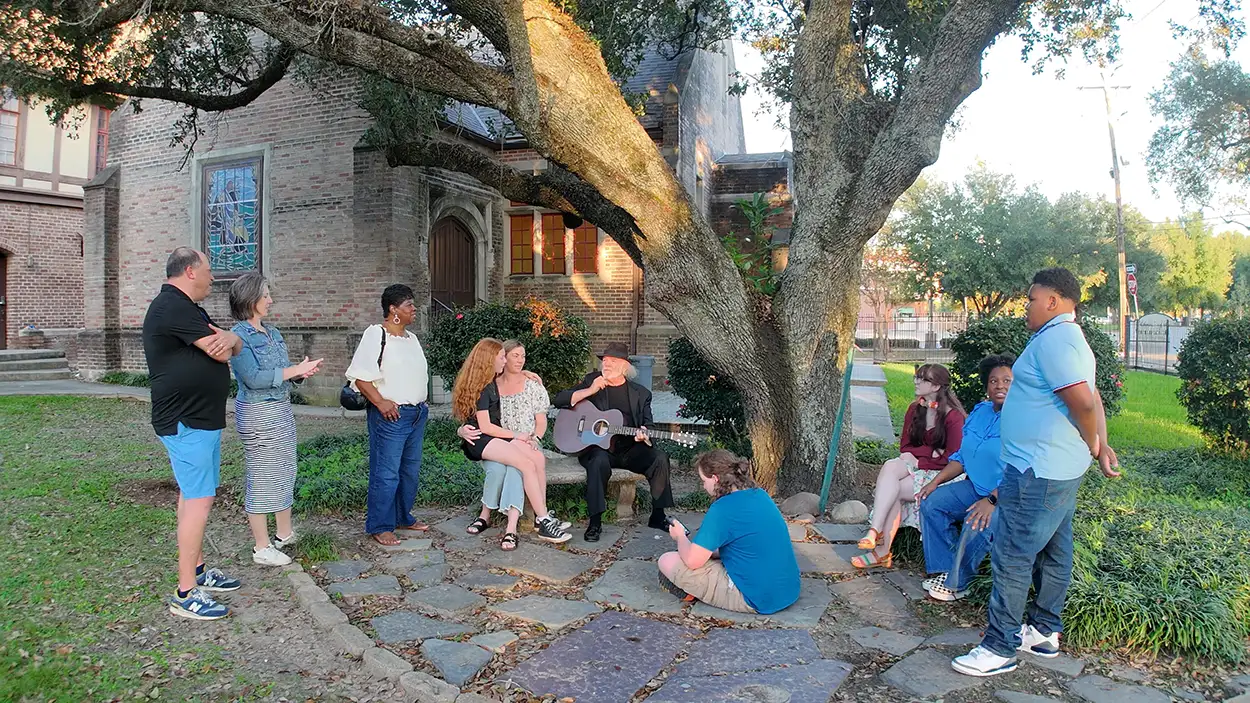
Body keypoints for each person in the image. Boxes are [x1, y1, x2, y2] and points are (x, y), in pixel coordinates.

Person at [953, 268, 1120, 678]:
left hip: (1036, 470)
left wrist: (1095, 443)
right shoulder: (1065, 339)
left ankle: (999, 647)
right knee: (1054, 549)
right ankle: (1043, 631)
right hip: (1055, 467)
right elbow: (1093, 395)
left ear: (1053, 300)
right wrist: (1100, 444)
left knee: (1012, 555)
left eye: (1031, 298)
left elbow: (1082, 401)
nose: (1025, 305)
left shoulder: (1058, 340)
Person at [143, 247, 244, 621]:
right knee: (199, 501)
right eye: (208, 270)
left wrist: (231, 338)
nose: (212, 277)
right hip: (186, 421)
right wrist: (229, 343)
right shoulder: (172, 307)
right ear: (189, 271)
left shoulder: (188, 309)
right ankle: (186, 592)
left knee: (194, 495)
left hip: (200, 418)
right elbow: (221, 352)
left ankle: (199, 570)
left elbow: (233, 343)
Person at [228, 273, 323, 567]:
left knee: (285, 469)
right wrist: (293, 371)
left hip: (281, 409)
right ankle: (261, 547)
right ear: (250, 298)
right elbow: (254, 379)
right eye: (266, 295)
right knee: (262, 474)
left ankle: (284, 533)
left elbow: (282, 373)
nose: (270, 300)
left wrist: (299, 374)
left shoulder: (274, 333)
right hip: (258, 413)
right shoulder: (238, 336)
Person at [552, 342, 675, 542]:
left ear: (625, 367)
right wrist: (590, 391)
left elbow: (648, 424)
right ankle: (595, 522)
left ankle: (658, 516)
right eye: (605, 360)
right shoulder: (592, 381)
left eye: (612, 361)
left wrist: (645, 432)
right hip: (597, 448)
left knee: (660, 458)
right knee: (597, 462)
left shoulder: (641, 394)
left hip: (630, 449)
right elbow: (559, 399)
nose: (606, 364)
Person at [916, 353, 1015, 601]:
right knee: (932, 502)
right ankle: (945, 569)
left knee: (977, 521)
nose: (1000, 386)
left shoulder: (1022, 420)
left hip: (1006, 497)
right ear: (987, 385)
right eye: (994, 381)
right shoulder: (981, 412)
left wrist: (991, 501)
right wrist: (936, 481)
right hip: (975, 487)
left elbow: (1021, 471)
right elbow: (961, 456)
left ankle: (958, 583)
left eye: (1007, 380)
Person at [452, 338, 571, 544]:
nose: (511, 361)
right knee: (525, 464)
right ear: (496, 359)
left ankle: (537, 519)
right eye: (505, 357)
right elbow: (483, 425)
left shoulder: (487, 381)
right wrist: (462, 430)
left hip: (497, 438)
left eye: (521, 356)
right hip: (488, 439)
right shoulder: (487, 386)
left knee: (532, 461)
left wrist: (531, 437)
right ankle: (542, 520)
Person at [659, 450, 800, 614]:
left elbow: (692, 561)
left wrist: (680, 536)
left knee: (667, 560)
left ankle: (692, 592)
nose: (704, 486)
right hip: (788, 590)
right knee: (711, 554)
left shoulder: (722, 509)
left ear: (715, 479)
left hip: (758, 598)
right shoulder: (760, 495)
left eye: (703, 480)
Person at [854, 363, 966, 569]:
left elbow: (953, 457)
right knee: (890, 465)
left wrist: (922, 459)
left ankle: (880, 549)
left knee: (893, 489)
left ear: (936, 386)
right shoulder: (915, 409)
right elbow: (905, 447)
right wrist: (928, 453)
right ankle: (875, 532)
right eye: (917, 377)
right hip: (916, 466)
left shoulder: (953, 417)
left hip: (943, 474)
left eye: (923, 379)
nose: (916, 382)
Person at [345, 284, 430, 547]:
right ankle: (380, 525)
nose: (414, 309)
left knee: (409, 471)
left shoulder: (411, 338)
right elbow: (360, 376)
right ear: (393, 309)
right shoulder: (376, 334)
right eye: (408, 305)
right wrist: (380, 402)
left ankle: (403, 516)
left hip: (416, 414)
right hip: (391, 417)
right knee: (386, 472)